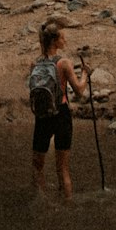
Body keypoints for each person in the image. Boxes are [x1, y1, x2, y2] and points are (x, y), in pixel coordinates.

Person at [31, 17, 89, 201]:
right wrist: (85, 74)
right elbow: (79, 91)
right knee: (62, 167)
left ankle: (43, 202)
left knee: (37, 165)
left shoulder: (35, 64)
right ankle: (68, 204)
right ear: (55, 41)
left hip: (42, 116)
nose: (65, 41)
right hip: (61, 114)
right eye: (63, 38)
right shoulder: (64, 63)